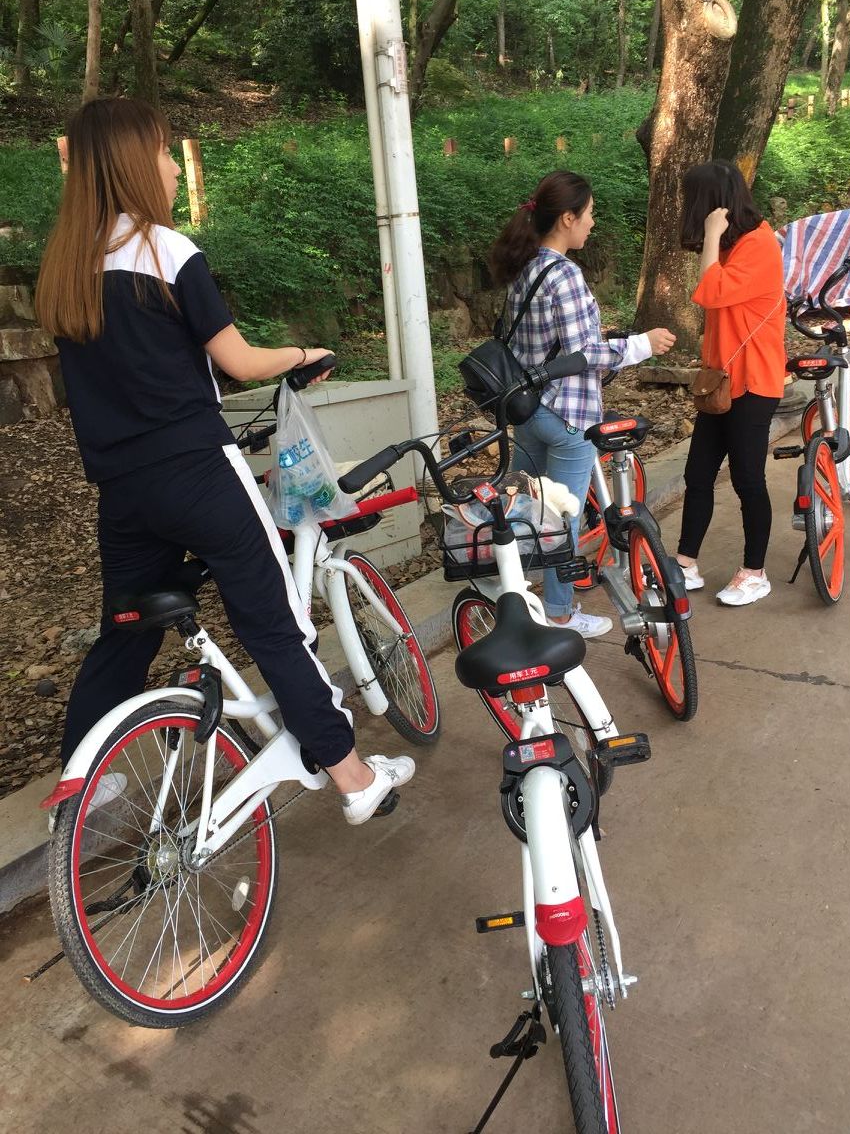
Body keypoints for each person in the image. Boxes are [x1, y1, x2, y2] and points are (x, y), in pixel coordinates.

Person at [35, 97, 414, 825]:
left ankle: (79, 791)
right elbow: (237, 361)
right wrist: (301, 353)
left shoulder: (66, 268)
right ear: (130, 163)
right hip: (199, 472)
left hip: (123, 492)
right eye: (163, 152)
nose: (173, 167)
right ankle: (353, 776)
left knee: (126, 631)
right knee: (273, 624)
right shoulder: (165, 251)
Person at [488, 169, 676, 637]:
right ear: (567, 218)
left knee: (524, 508)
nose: (592, 223)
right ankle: (559, 613)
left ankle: (507, 593)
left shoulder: (525, 267)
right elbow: (584, 353)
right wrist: (642, 345)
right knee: (563, 519)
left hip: (528, 411)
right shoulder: (565, 273)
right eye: (589, 214)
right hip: (568, 415)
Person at [675, 159, 786, 607]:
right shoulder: (734, 244)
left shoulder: (758, 244)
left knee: (747, 480)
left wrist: (712, 235)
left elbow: (710, 292)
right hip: (720, 381)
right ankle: (685, 563)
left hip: (754, 382)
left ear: (710, 205)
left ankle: (755, 573)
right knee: (698, 474)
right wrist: (715, 239)